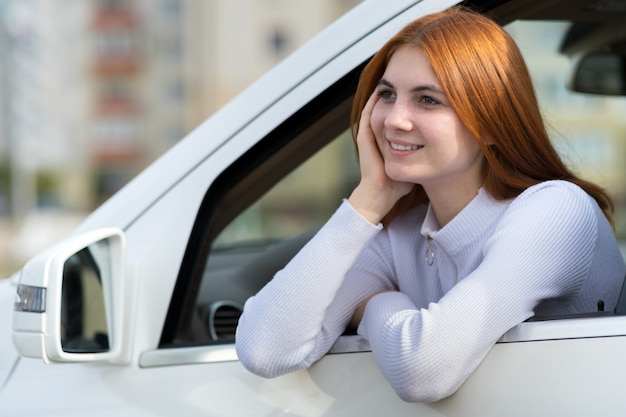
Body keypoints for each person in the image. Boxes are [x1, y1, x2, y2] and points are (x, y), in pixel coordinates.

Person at [235, 6, 626, 403]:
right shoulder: (399, 230)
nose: (394, 120)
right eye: (387, 94)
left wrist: (376, 304)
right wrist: (369, 198)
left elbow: (422, 372)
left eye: (427, 100)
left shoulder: (556, 211)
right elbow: (265, 350)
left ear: (492, 123)